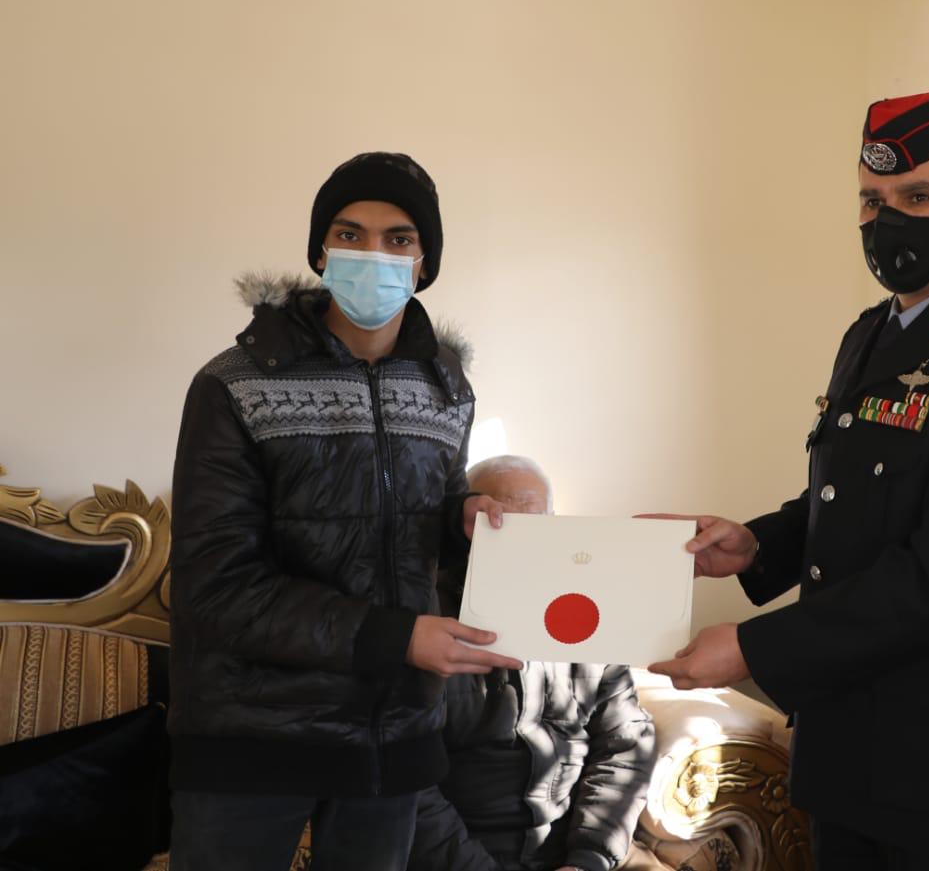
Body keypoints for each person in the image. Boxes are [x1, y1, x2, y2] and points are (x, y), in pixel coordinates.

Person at [648, 92, 929, 870]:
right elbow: (856, 499)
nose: (888, 221)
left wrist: (752, 645)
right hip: (850, 747)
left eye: (918, 197)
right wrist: (756, 545)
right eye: (872, 200)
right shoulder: (872, 332)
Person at [168, 152, 522, 871]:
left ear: (423, 263)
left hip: (393, 736)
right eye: (350, 233)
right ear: (320, 252)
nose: (373, 253)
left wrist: (463, 519)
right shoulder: (235, 384)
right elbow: (214, 587)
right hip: (251, 736)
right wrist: (397, 638)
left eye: (399, 238)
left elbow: (415, 523)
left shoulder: (447, 388)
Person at [413, 455, 657, 871]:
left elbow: (625, 742)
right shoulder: (427, 624)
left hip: (574, 849)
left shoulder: (587, 617)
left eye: (537, 528)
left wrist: (588, 859)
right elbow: (407, 777)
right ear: (466, 529)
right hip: (461, 852)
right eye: (502, 526)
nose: (522, 546)